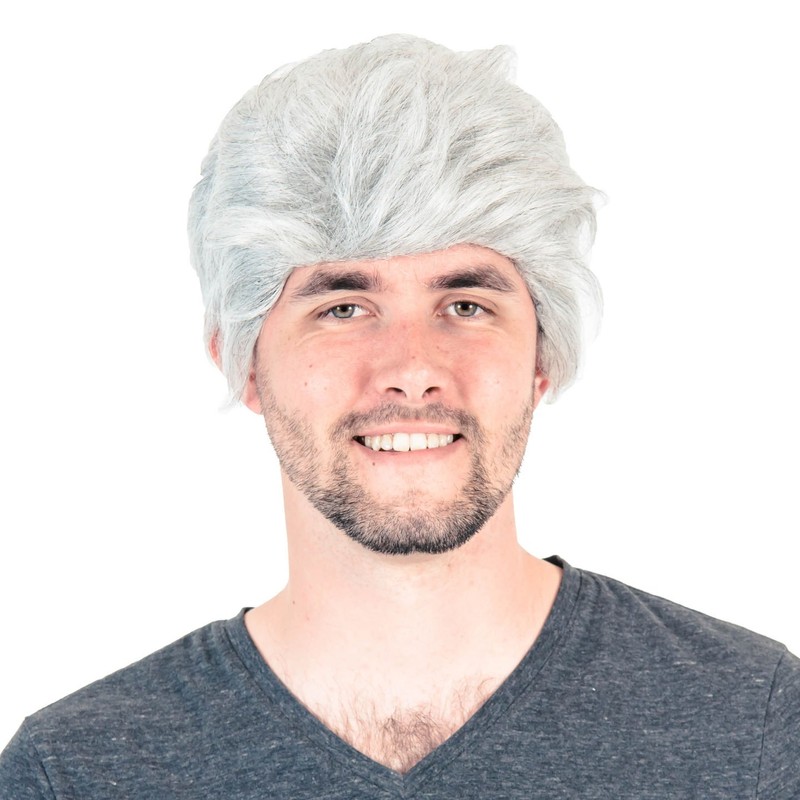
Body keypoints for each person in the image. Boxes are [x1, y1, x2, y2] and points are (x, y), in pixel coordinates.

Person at [1, 34, 797, 799]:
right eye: (343, 308)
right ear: (244, 363)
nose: (413, 369)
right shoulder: (78, 772)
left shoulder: (749, 727)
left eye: (466, 304)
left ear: (542, 355)